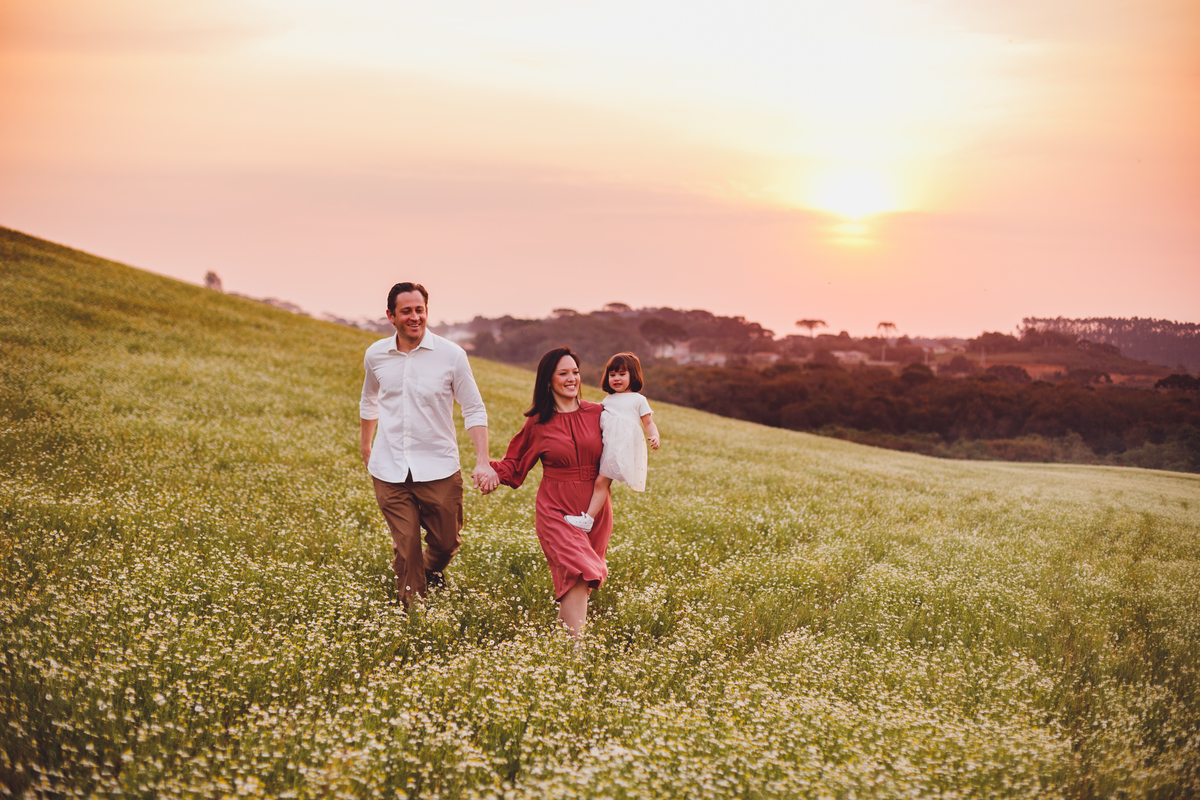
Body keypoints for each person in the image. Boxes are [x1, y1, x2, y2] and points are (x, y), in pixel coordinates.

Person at [359, 282, 499, 607]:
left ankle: (432, 570)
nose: (414, 317)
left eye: (419, 310)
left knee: (447, 542)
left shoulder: (451, 356)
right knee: (406, 544)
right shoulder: (375, 355)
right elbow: (369, 399)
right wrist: (366, 445)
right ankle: (415, 617)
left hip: (439, 467)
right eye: (406, 311)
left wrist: (483, 459)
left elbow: (474, 407)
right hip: (389, 467)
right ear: (391, 316)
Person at [483, 347, 611, 637]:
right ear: (548, 380)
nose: (572, 378)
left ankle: (561, 646)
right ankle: (576, 652)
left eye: (575, 372)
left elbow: (621, 449)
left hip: (595, 508)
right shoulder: (539, 423)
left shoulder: (598, 413)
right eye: (563, 373)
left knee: (577, 580)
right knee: (580, 570)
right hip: (557, 509)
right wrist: (492, 472)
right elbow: (515, 464)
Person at [565, 352, 659, 533]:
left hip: (621, 448)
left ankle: (588, 519)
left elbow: (648, 422)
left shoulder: (638, 399)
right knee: (600, 481)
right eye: (612, 374)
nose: (616, 378)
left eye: (622, 374)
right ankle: (588, 518)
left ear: (633, 376)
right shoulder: (608, 400)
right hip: (606, 446)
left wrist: (655, 436)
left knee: (601, 482)